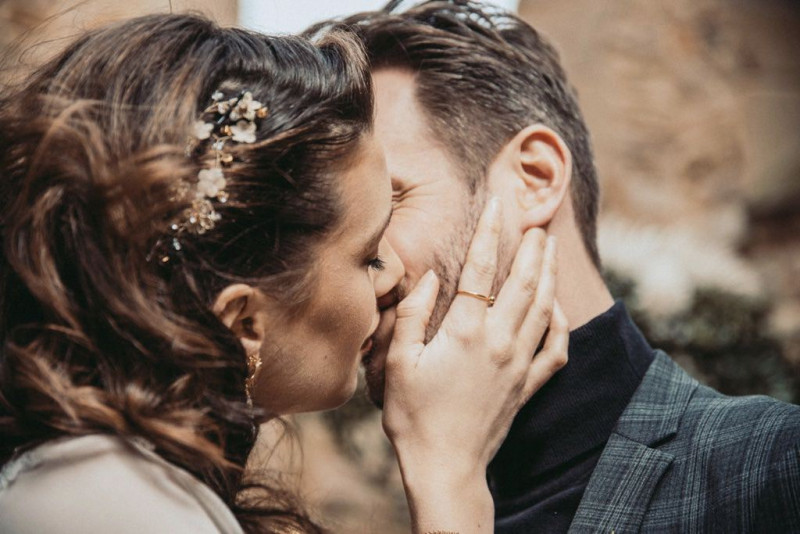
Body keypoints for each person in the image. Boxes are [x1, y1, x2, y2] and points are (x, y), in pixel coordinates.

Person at [0, 13, 571, 533]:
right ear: (244, 321)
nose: (393, 273)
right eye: (368, 253)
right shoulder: (105, 506)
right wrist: (450, 472)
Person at [309, 1, 800, 532]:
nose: (354, 264)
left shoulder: (774, 468)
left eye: (385, 203)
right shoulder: (436, 492)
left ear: (535, 178)